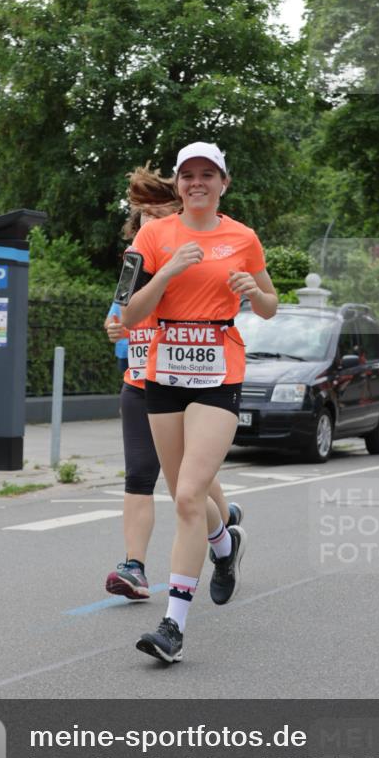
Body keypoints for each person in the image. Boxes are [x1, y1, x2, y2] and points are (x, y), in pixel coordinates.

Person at [121, 142, 278, 662]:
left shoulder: (243, 238)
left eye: (207, 174)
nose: (197, 183)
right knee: (179, 493)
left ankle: (173, 625)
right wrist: (166, 273)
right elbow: (127, 314)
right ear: (178, 183)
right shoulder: (153, 235)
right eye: (188, 175)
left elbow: (271, 304)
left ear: (223, 183)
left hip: (218, 372)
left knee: (189, 494)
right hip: (164, 371)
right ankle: (224, 547)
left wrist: (252, 293)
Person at [105, 166, 243, 601]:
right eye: (142, 218)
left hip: (189, 385)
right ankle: (134, 566)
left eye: (157, 215)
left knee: (189, 483)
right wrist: (118, 332)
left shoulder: (195, 260)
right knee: (140, 475)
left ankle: (224, 532)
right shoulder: (134, 265)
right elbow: (119, 321)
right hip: (141, 383)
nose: (149, 225)